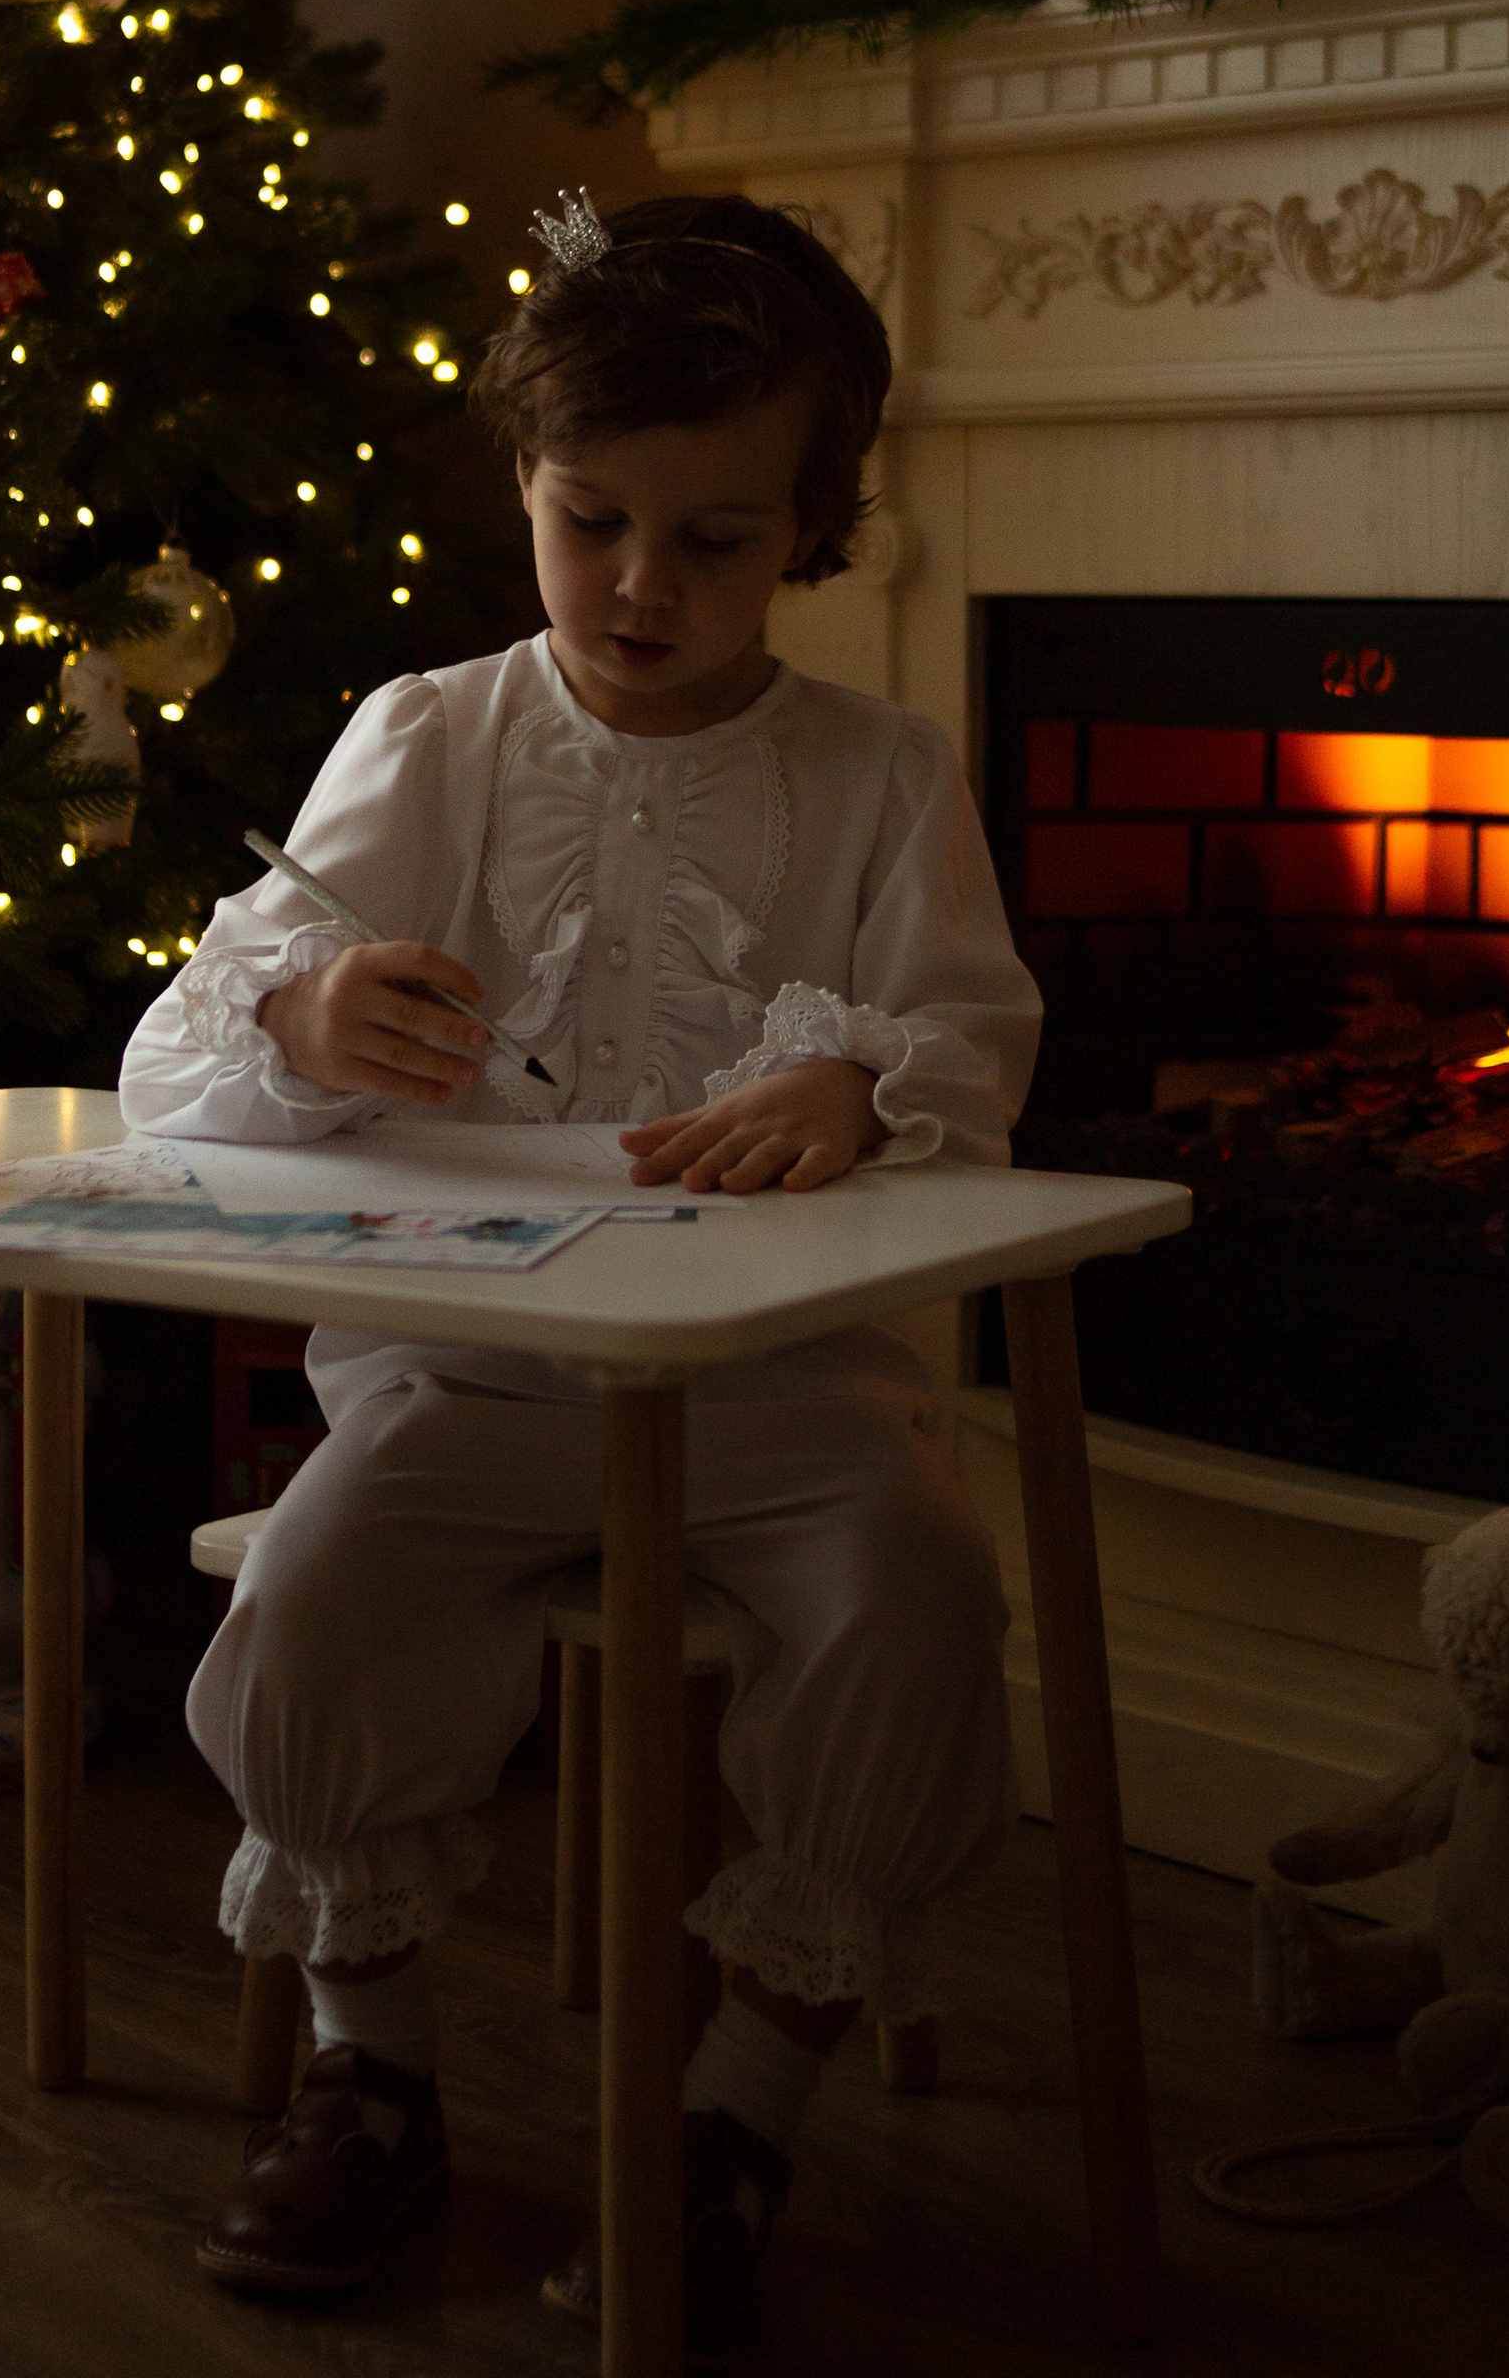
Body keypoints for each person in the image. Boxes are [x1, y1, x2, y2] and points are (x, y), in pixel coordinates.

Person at [120, 188, 1039, 2352]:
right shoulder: (428, 736)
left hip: (788, 1399)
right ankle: (373, 2068)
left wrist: (854, 1095)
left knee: (911, 1597)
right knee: (314, 1594)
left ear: (813, 524)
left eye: (712, 539)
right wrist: (305, 1011)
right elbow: (184, 1045)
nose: (640, 586)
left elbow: (969, 1056)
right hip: (467, 1373)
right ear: (523, 487)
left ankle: (733, 2111)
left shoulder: (881, 775)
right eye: (590, 520)